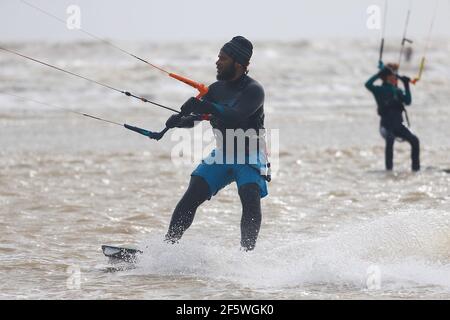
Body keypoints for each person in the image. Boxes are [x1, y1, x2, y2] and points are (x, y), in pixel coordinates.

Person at [163, 36, 269, 251]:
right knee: (191, 197)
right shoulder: (216, 89)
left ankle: (246, 256)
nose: (217, 62)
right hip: (222, 153)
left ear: (238, 64)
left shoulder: (254, 90)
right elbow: (198, 117)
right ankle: (166, 249)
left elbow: (236, 115)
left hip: (250, 154)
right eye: (218, 57)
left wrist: (204, 107)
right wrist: (180, 121)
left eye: (223, 58)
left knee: (249, 199)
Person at [365, 63, 420, 171]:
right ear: (387, 77)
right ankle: (389, 170)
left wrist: (406, 85)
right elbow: (368, 84)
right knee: (390, 139)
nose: (396, 77)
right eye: (393, 75)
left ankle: (416, 169)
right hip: (386, 127)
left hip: (399, 126)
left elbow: (408, 101)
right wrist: (379, 74)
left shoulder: (397, 91)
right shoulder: (379, 90)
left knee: (415, 140)